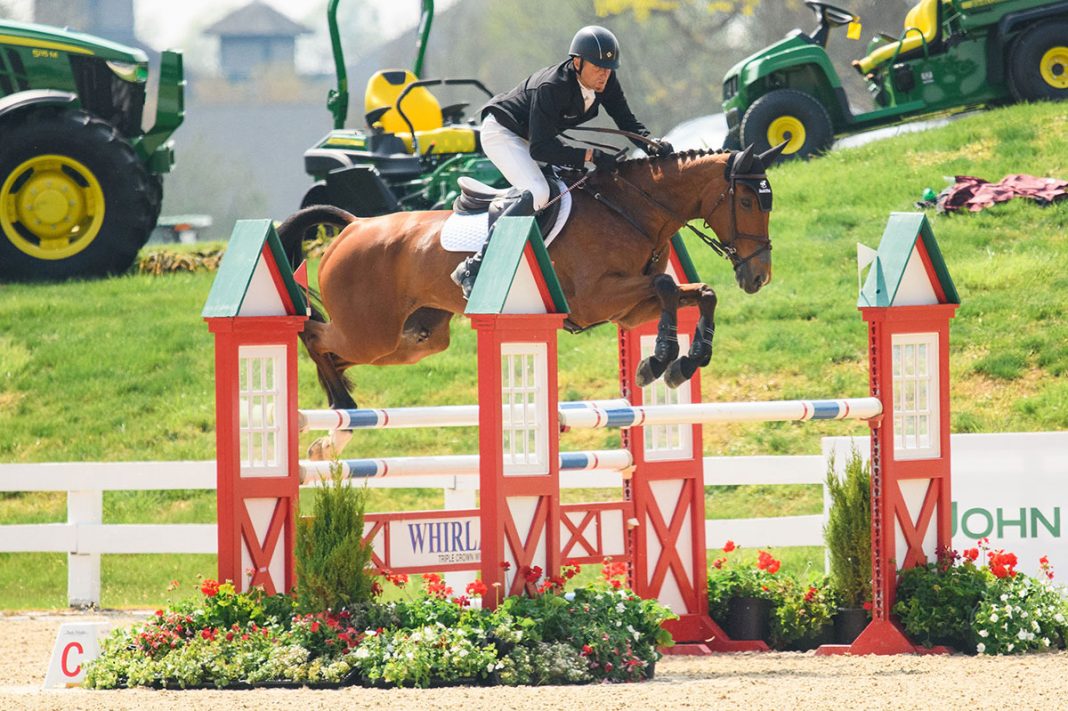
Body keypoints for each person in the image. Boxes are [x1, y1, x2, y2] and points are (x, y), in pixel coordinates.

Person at [451, 25, 673, 298]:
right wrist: (590, 155)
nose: (604, 74)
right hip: (503, 133)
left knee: (573, 186)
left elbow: (627, 122)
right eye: (598, 67)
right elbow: (542, 149)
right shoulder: (552, 86)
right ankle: (474, 267)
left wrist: (652, 144)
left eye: (609, 68)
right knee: (538, 192)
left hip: (533, 137)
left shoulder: (607, 82)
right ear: (577, 62)